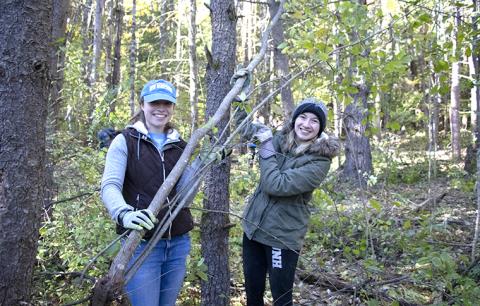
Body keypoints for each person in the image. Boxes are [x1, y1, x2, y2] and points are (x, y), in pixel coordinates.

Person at [101, 79, 199, 306]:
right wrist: (124, 213)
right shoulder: (125, 140)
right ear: (143, 104)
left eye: (167, 103)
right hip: (141, 244)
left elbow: (185, 197)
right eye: (155, 102)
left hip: (177, 243)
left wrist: (204, 160)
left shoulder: (181, 146)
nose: (161, 108)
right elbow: (110, 185)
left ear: (173, 108)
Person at [239, 98, 340, 306]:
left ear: (320, 129)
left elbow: (275, 185)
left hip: (281, 238)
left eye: (314, 121)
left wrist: (265, 147)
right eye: (302, 117)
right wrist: (240, 100)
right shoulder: (279, 140)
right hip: (252, 230)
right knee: (252, 294)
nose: (306, 124)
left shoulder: (320, 161)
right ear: (294, 120)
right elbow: (246, 130)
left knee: (282, 298)